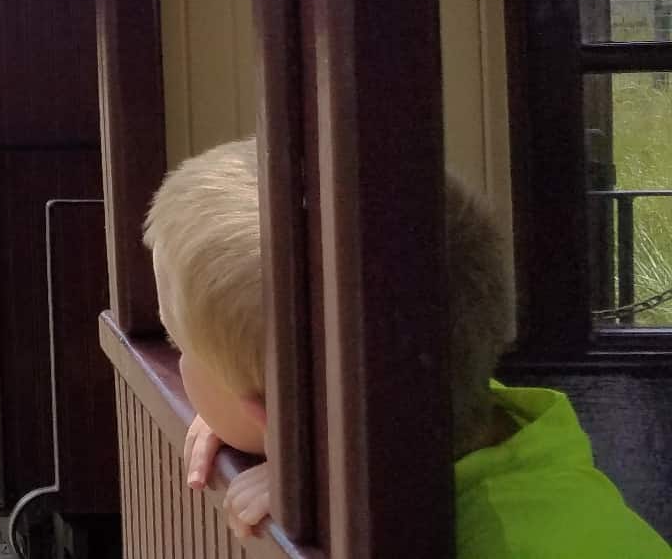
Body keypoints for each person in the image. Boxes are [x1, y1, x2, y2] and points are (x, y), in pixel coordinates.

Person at [143, 139, 672, 555]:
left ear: (274, 412)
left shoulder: (508, 546)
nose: (178, 365)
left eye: (179, 345)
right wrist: (314, 465)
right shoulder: (448, 406)